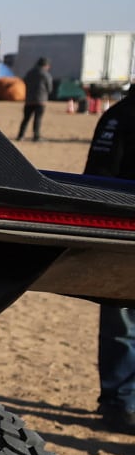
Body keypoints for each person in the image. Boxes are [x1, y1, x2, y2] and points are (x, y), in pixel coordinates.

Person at [87, 92, 135, 432]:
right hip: (124, 234)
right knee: (123, 322)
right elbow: (97, 178)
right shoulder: (120, 117)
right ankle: (119, 402)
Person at [19, 56, 53, 143]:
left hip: (29, 100)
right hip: (40, 100)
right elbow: (49, 88)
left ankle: (21, 135)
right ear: (46, 65)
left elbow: (25, 82)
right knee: (37, 119)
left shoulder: (30, 73)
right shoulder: (45, 74)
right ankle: (36, 136)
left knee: (26, 118)